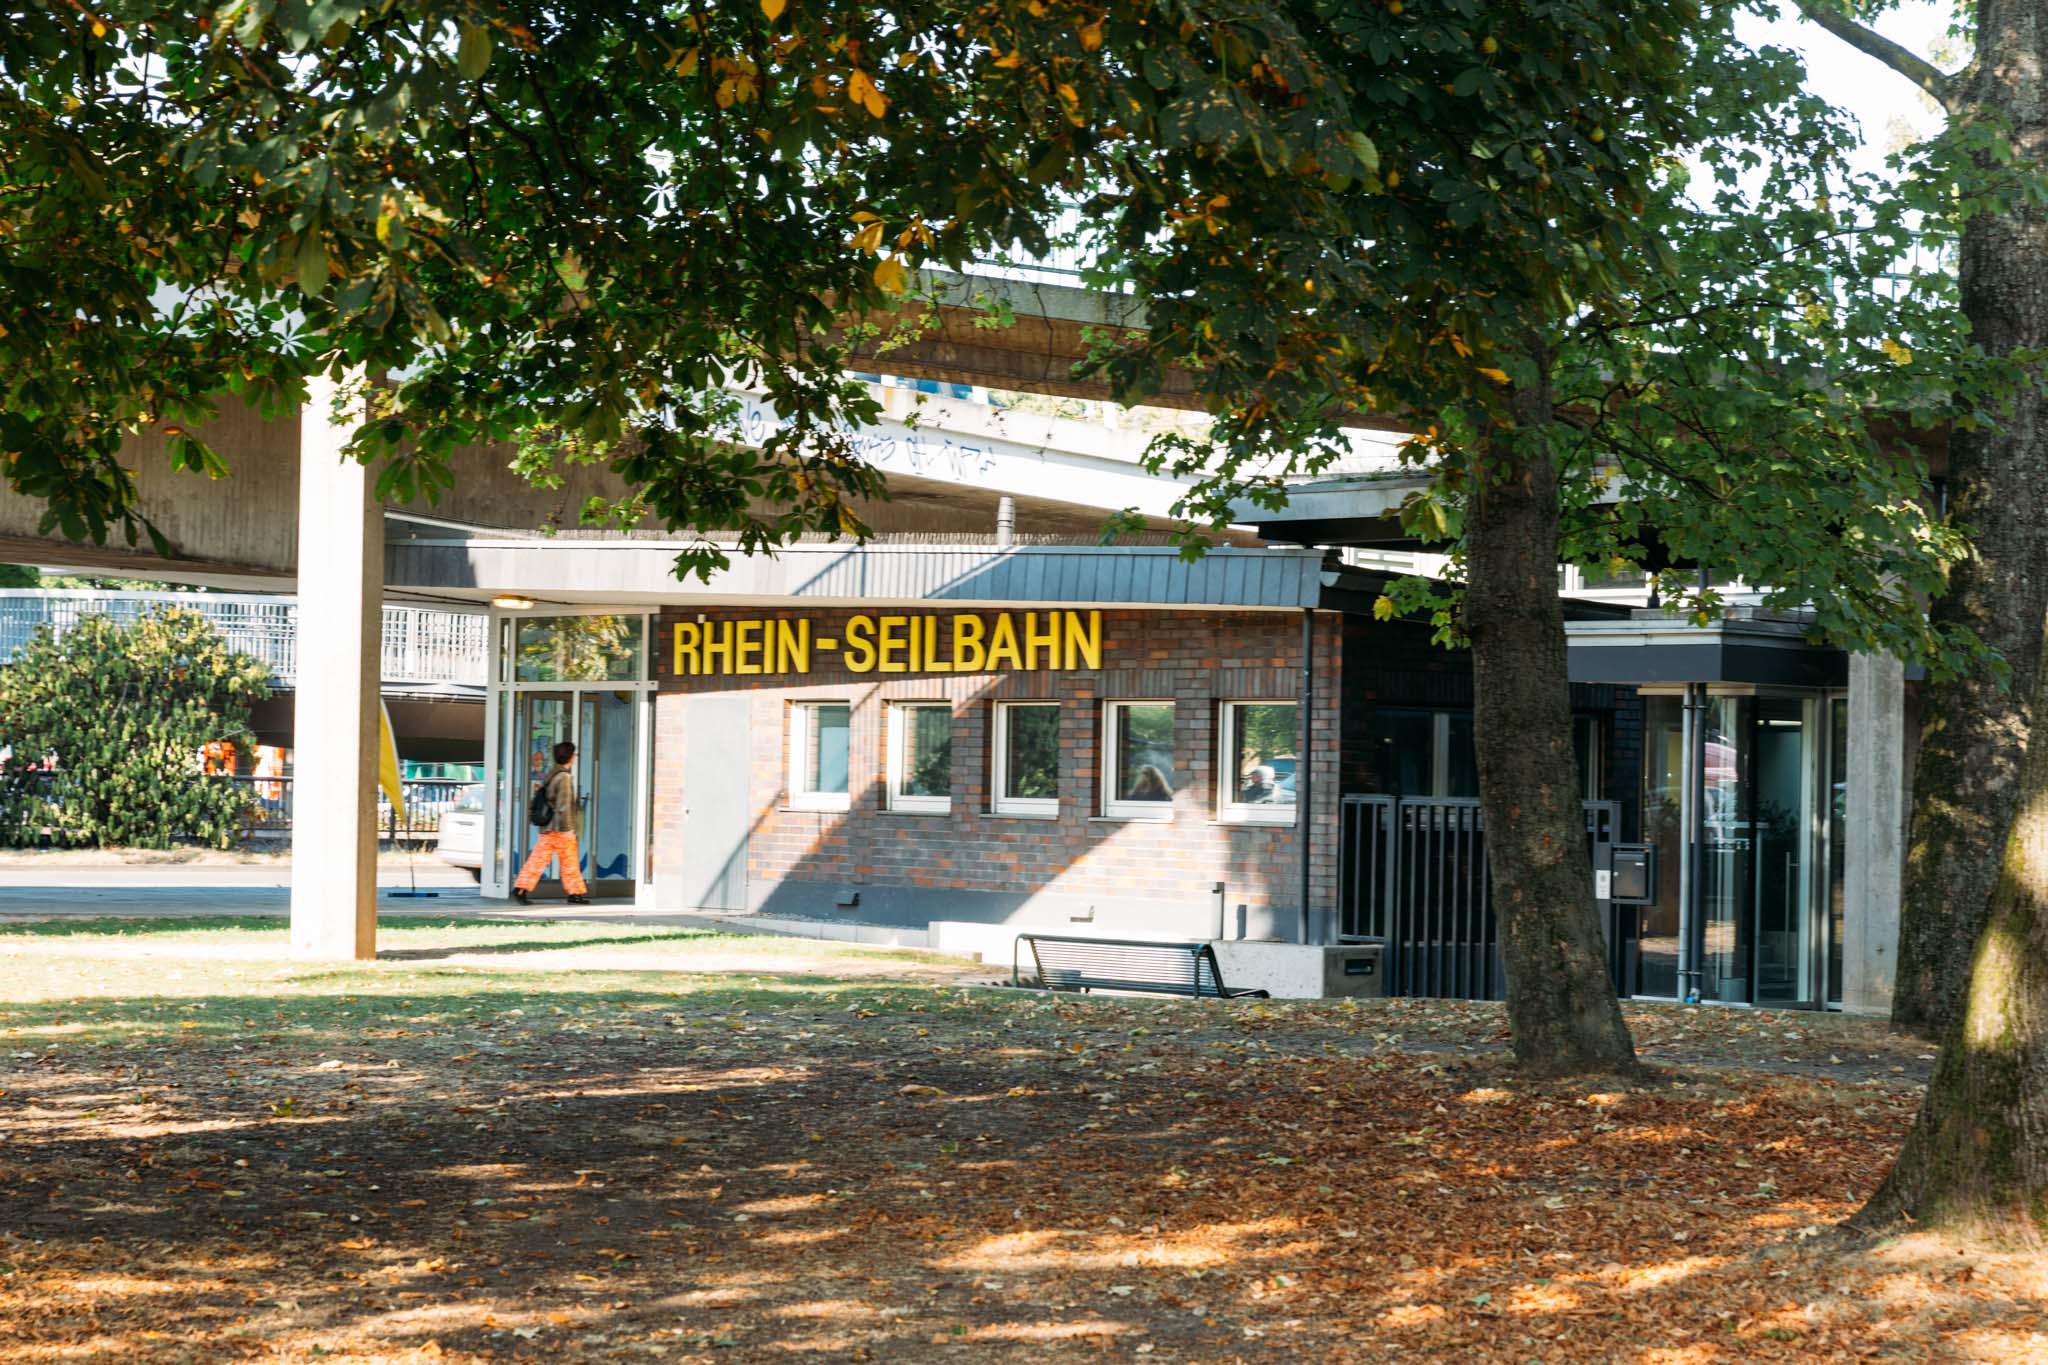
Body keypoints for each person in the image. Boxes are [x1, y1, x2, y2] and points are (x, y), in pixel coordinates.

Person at [514, 740, 589, 904]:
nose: (575, 757)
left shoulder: (552, 774)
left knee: (538, 859)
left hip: (548, 828)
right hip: (561, 829)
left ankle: (521, 888)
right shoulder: (564, 777)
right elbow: (564, 806)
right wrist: (569, 829)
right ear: (570, 757)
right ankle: (575, 893)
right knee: (569, 861)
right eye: (574, 754)